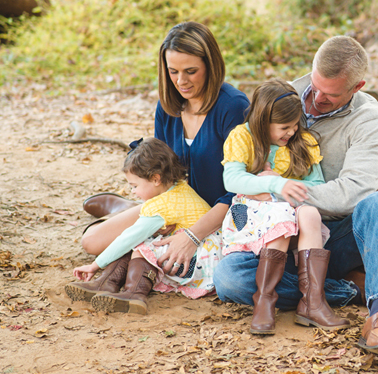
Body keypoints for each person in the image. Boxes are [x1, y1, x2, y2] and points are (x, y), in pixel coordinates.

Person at [214, 35, 378, 360]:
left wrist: (283, 189)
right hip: (276, 237)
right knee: (230, 280)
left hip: (334, 233)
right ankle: (352, 289)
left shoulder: (372, 121)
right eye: (315, 86)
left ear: (357, 86)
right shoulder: (284, 95)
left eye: (331, 94)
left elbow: (354, 192)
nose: (316, 99)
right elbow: (239, 165)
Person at [69, 21, 250, 299]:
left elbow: (240, 190)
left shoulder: (233, 108)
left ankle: (122, 209)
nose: (181, 81)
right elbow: (162, 171)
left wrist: (192, 235)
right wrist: (160, 212)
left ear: (211, 66)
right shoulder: (169, 106)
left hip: (217, 212)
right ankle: (128, 206)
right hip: (174, 201)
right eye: (173, 71)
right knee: (91, 241)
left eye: (191, 71)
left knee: (146, 245)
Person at [220, 78, 349, 335]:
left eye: (294, 125)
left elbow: (316, 184)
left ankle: (312, 302)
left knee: (310, 213)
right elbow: (230, 179)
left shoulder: (303, 142)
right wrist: (272, 187)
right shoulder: (243, 137)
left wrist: (280, 182)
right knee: (279, 217)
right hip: (253, 217)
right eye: (284, 127)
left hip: (293, 213)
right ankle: (265, 301)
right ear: (262, 120)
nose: (290, 132)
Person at [70, 138, 223, 313]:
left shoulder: (160, 206)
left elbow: (128, 238)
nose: (132, 192)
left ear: (155, 179)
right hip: (212, 254)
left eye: (134, 186)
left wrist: (95, 265)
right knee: (145, 240)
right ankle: (106, 283)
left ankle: (134, 293)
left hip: (199, 261)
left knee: (140, 244)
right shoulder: (179, 188)